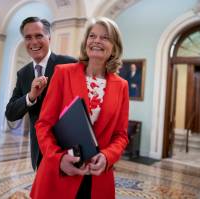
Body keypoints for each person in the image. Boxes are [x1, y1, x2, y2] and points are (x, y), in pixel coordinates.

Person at [30, 17, 129, 199]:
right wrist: (58, 159)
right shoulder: (63, 73)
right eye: (92, 36)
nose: (97, 41)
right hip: (59, 173)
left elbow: (120, 135)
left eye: (105, 37)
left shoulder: (121, 86)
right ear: (86, 43)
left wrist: (108, 157)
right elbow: (43, 124)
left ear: (114, 47)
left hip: (98, 179)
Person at [5, 17, 76, 171]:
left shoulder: (69, 64)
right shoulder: (23, 74)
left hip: (67, 148)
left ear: (49, 37)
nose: (34, 42)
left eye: (39, 36)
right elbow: (10, 113)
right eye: (28, 37)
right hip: (39, 151)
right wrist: (31, 96)